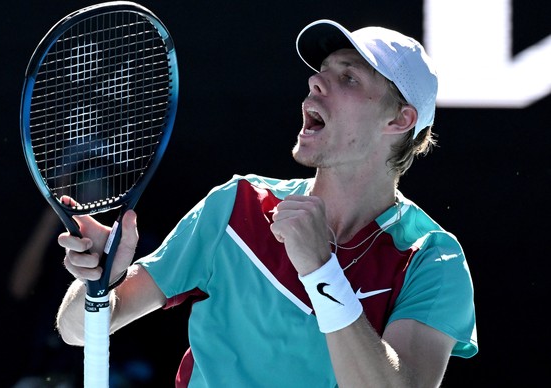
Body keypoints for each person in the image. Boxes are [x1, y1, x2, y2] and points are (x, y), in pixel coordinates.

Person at [56, 19, 478, 387]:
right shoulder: (236, 207)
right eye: (321, 71)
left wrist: (320, 270)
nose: (316, 82)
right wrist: (96, 284)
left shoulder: (431, 259)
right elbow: (79, 329)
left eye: (349, 78)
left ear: (399, 120)